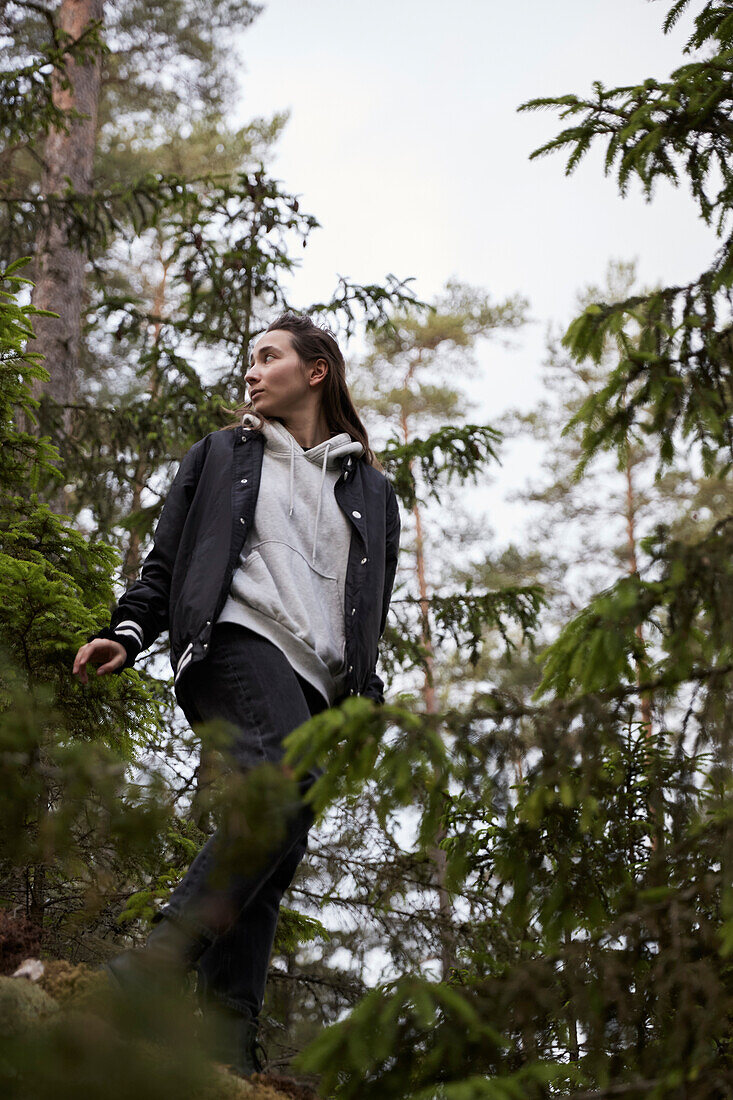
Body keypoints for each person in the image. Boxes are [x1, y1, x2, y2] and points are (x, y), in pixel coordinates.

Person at [72, 311, 401, 1077]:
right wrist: (127, 631)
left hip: (323, 685)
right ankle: (152, 966)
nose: (251, 371)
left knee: (272, 853)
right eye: (248, 360)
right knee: (279, 791)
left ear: (315, 370)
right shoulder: (221, 454)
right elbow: (166, 562)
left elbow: (370, 610)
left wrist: (365, 704)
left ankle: (226, 1052)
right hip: (238, 641)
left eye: (267, 357)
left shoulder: (373, 494)